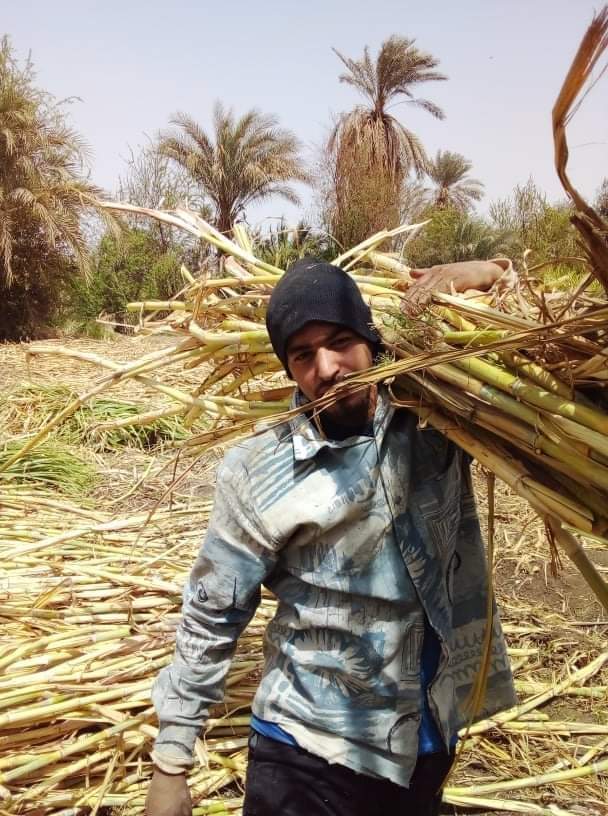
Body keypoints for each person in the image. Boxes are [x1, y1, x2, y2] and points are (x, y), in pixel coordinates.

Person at [146, 257, 517, 816]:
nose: (326, 367)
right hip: (308, 749)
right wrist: (171, 763)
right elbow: (211, 614)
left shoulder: (439, 417)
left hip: (428, 738)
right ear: (289, 369)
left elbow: (545, 348)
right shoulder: (258, 469)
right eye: (302, 355)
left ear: (371, 339)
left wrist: (485, 271)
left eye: (340, 342)